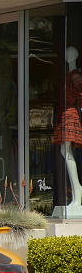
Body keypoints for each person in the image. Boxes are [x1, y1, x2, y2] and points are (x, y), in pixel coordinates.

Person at [53, 46, 82, 214]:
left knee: (66, 150)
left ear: (75, 55)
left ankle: (78, 191)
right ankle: (77, 189)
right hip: (65, 114)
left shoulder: (76, 76)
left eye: (70, 53)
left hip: (71, 114)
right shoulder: (69, 75)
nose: (67, 55)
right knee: (65, 150)